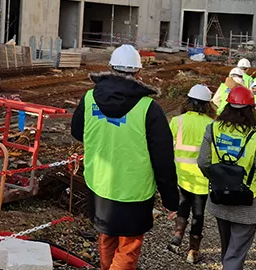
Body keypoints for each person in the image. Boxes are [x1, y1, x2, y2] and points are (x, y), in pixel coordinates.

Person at [71, 44, 180, 270]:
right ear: (138, 73)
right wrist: (171, 200)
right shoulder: (149, 109)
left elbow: (77, 132)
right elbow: (163, 159)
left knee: (107, 235)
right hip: (134, 191)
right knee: (128, 246)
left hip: (99, 184)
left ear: (110, 68)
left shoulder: (89, 98)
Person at [198, 86, 256, 270]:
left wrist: (216, 179)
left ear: (227, 107)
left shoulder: (213, 129)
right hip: (245, 203)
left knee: (228, 248)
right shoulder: (254, 137)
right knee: (236, 253)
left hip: (219, 197)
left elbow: (202, 162)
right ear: (251, 110)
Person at [168, 84, 218, 263]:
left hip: (181, 174)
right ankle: (192, 251)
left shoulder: (177, 121)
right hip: (202, 177)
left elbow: (167, 146)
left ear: (188, 101)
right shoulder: (212, 125)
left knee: (183, 205)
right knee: (198, 213)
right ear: (207, 105)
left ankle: (177, 236)